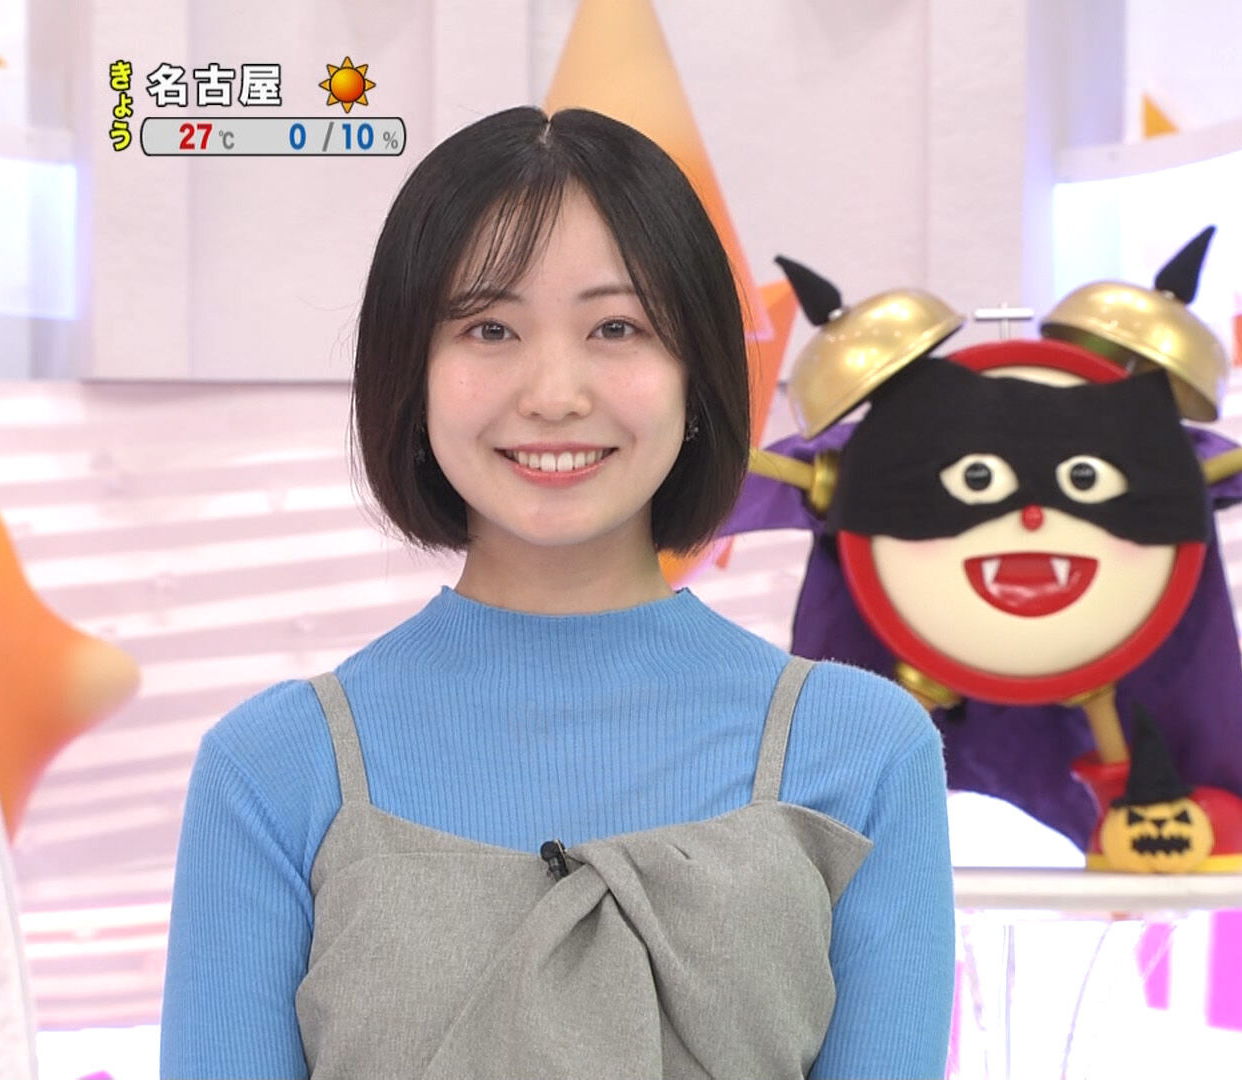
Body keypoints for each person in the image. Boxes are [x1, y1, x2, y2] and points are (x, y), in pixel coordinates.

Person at [159, 105, 954, 1079]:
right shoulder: (272, 766)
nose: (552, 393)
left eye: (616, 327)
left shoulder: (865, 748)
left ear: (696, 374)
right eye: (489, 328)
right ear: (410, 372)